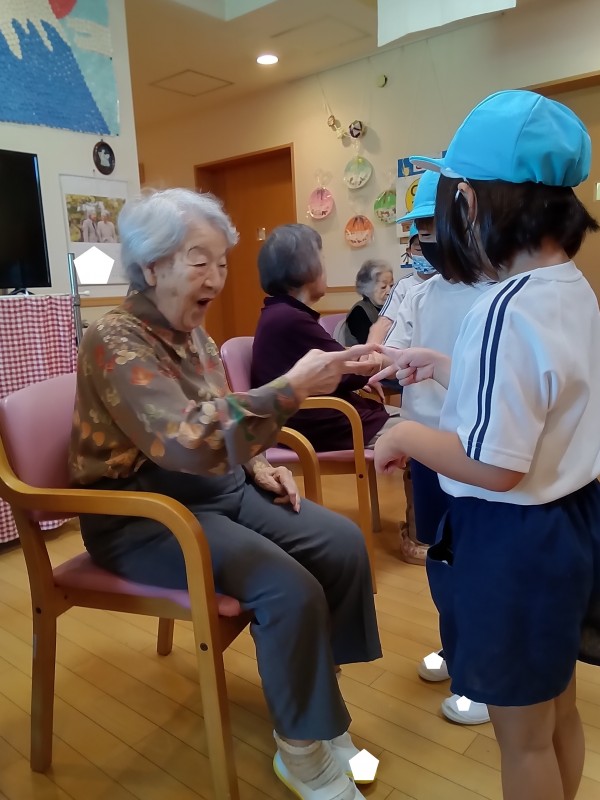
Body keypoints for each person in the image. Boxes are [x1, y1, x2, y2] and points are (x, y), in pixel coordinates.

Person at [69, 189, 383, 800]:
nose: (215, 278)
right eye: (199, 261)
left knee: (341, 543)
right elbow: (185, 439)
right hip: (145, 516)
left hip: (216, 487)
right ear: (151, 266)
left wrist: (258, 460)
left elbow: (216, 414)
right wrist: (292, 388)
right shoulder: (114, 340)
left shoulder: (196, 337)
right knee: (288, 588)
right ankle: (301, 750)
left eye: (221, 263)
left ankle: (320, 705)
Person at [374, 90, 600, 800]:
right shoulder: (570, 288)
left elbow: (494, 466)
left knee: (521, 738)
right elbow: (541, 395)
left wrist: (405, 432)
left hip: (513, 542)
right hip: (568, 525)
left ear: (473, 204)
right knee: (557, 711)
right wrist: (445, 366)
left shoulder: (502, 306)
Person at [379, 191, 495, 725]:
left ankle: (484, 673)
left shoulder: (497, 293)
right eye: (419, 229)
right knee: (440, 556)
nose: (425, 239)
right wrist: (371, 361)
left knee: (480, 561)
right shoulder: (419, 293)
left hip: (478, 452)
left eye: (434, 225)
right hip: (426, 446)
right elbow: (396, 348)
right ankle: (454, 647)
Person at [251, 223, 401, 453]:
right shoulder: (288, 318)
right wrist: (378, 345)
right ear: (305, 269)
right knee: (419, 434)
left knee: (417, 425)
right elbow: (350, 371)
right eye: (322, 260)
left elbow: (342, 367)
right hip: (323, 424)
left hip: (329, 416)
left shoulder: (281, 313)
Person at [367, 170, 440, 347]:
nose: (427, 251)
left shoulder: (458, 285)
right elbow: (384, 324)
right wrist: (371, 352)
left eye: (435, 239)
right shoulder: (407, 290)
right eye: (422, 242)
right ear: (409, 252)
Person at [336, 259, 394, 346]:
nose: (390, 291)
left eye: (392, 285)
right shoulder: (359, 312)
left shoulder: (391, 307)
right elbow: (368, 347)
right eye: (383, 287)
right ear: (368, 288)